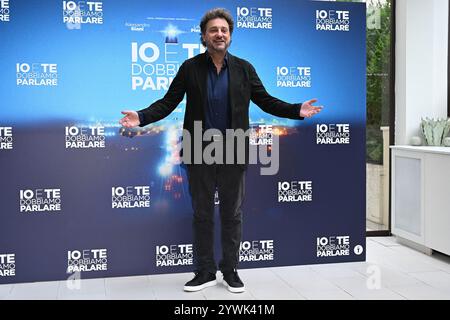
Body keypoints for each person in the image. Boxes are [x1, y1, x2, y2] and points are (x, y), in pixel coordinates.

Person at [119, 8, 322, 293]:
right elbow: (167, 103)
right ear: (204, 36)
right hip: (199, 150)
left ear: (230, 35)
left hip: (233, 150)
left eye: (224, 30)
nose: (219, 34)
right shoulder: (190, 68)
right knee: (202, 214)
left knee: (232, 215)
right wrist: (140, 116)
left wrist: (295, 110)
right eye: (214, 30)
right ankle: (204, 272)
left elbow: (265, 101)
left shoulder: (244, 68)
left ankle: (230, 271)